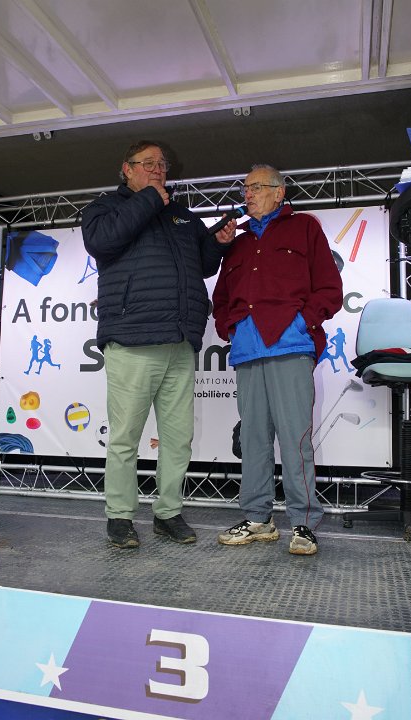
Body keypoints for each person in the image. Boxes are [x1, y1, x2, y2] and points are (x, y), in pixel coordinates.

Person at [82, 140, 236, 549]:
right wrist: (150, 198)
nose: (157, 169)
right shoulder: (104, 209)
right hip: (133, 338)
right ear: (126, 168)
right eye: (148, 163)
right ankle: (120, 516)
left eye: (162, 164)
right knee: (125, 437)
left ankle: (168, 512)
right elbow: (103, 242)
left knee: (178, 437)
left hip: (179, 340)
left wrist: (218, 242)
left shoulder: (180, 214)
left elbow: (203, 264)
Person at [213, 164, 343, 555]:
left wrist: (303, 322)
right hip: (247, 349)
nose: (248, 194)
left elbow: (329, 288)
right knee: (252, 437)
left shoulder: (304, 227)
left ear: (279, 192)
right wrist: (230, 328)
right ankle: (258, 518)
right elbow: (222, 298)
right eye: (245, 188)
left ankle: (304, 524)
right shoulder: (237, 242)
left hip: (290, 345)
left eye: (256, 187)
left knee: (294, 437)